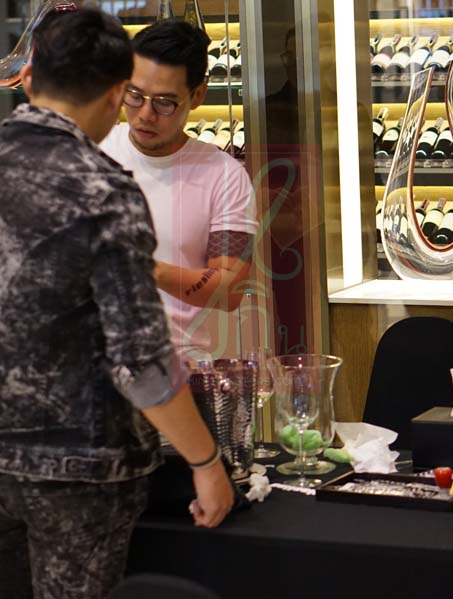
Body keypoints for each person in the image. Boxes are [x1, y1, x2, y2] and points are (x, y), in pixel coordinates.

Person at [0, 10, 233, 599]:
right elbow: (141, 361)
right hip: (80, 465)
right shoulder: (103, 190)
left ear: (29, 78)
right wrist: (206, 462)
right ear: (113, 95)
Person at [101, 19, 257, 361]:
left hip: (179, 367)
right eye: (135, 95)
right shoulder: (92, 150)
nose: (145, 114)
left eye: (164, 103)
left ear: (197, 95)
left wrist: (142, 266)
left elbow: (230, 291)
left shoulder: (224, 175)